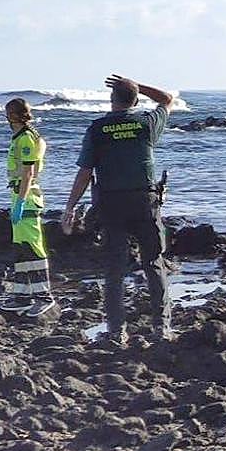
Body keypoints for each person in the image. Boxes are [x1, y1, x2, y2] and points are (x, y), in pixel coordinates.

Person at [62, 74, 176, 344]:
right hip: (144, 201)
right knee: (153, 263)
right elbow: (167, 99)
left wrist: (70, 207)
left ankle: (116, 331)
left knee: (114, 268)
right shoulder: (146, 123)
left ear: (111, 100)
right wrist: (137, 84)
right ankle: (161, 327)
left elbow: (85, 172)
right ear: (136, 101)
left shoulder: (98, 129)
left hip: (111, 203)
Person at [0, 98, 55, 317]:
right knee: (21, 246)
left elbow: (28, 173)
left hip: (27, 196)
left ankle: (43, 295)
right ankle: (22, 294)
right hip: (17, 194)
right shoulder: (23, 137)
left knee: (33, 246)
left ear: (12, 116)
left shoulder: (26, 139)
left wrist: (21, 201)